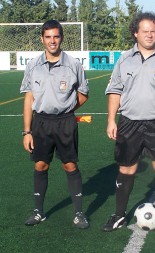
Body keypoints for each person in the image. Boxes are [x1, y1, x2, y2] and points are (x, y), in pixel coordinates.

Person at [103, 12, 155, 233]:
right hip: (129, 122)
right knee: (126, 168)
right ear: (135, 33)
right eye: (145, 31)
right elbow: (114, 91)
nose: (150, 35)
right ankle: (120, 214)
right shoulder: (124, 60)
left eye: (154, 31)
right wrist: (112, 120)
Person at [20, 20, 89, 229]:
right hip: (40, 122)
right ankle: (38, 211)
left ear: (61, 38)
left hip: (65, 122)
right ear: (42, 39)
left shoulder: (73, 65)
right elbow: (29, 99)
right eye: (48, 37)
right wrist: (26, 131)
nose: (52, 41)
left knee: (70, 165)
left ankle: (79, 213)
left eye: (56, 36)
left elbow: (84, 94)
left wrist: (66, 109)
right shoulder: (33, 66)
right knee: (41, 164)